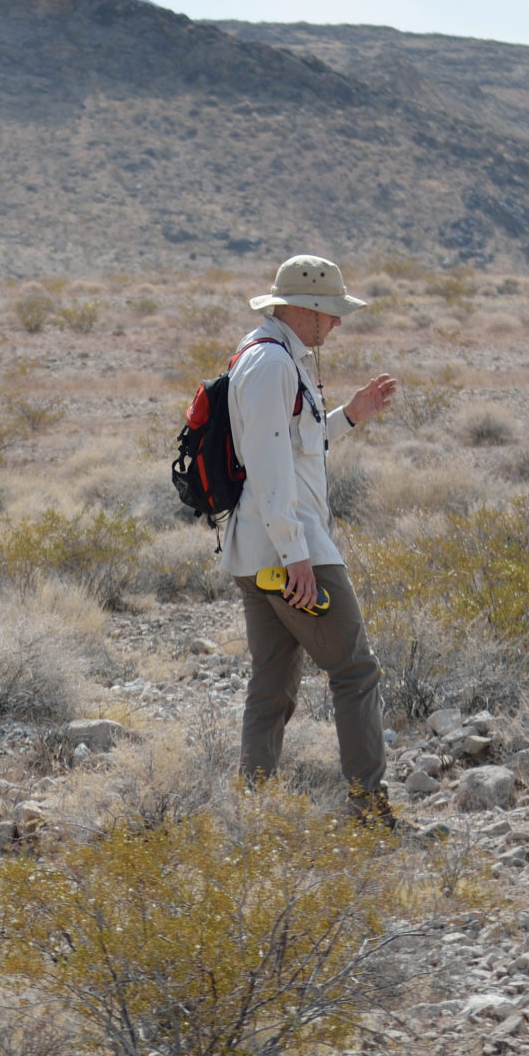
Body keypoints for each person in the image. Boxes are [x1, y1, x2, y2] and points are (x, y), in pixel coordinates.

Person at [223, 254, 401, 821]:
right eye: (330, 313)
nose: (337, 324)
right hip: (291, 550)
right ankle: (369, 809)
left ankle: (252, 811)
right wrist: (297, 555)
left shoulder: (266, 357)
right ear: (302, 309)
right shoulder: (272, 365)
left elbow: (298, 444)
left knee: (272, 685)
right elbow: (272, 468)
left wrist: (352, 414)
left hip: (258, 550)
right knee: (355, 671)